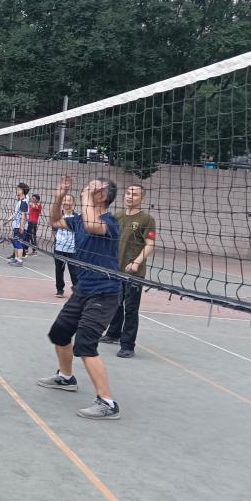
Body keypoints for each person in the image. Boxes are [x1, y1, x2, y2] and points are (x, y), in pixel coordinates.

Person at [37, 175, 123, 420]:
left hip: (105, 291)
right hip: (83, 289)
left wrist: (84, 196)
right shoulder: (77, 220)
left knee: (85, 343)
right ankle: (66, 378)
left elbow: (93, 225)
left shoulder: (110, 222)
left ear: (101, 196)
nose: (85, 189)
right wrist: (58, 197)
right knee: (59, 333)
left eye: (91, 188)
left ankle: (107, 402)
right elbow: (54, 221)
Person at [100, 184, 157, 358]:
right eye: (128, 193)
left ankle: (127, 345)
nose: (130, 196)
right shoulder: (117, 216)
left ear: (142, 198)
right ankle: (113, 333)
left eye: (135, 194)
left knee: (130, 309)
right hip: (115, 270)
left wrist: (136, 263)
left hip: (133, 273)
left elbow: (150, 244)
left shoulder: (147, 219)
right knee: (115, 303)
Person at [52, 193, 78, 298]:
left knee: (74, 271)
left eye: (69, 200)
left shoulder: (77, 217)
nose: (66, 202)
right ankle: (59, 290)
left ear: (73, 203)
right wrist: (59, 241)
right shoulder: (58, 216)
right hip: (59, 248)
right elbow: (54, 230)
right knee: (59, 270)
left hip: (73, 249)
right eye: (65, 200)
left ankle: (77, 291)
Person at [4, 183, 30, 266]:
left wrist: (22, 226)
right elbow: (15, 214)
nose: (17, 191)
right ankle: (16, 259)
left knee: (18, 242)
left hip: (20, 226)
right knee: (15, 242)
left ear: (22, 191)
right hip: (16, 226)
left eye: (18, 189)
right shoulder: (20, 201)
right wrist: (7, 220)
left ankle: (20, 261)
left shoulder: (24, 202)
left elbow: (23, 215)